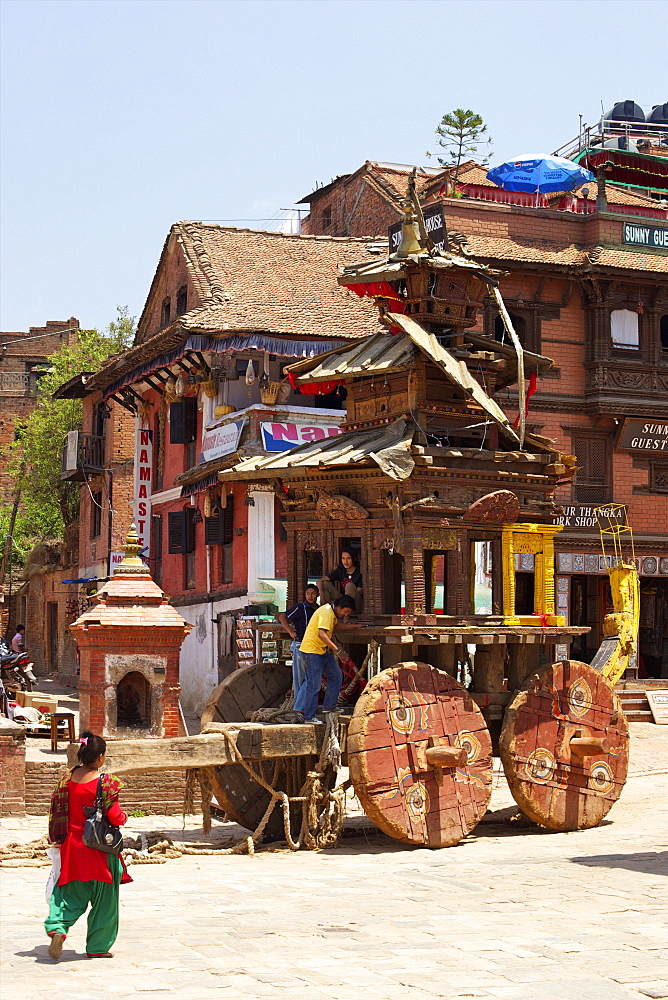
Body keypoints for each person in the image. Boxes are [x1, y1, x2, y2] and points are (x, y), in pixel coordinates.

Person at [45, 730, 131, 960]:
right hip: (100, 850)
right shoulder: (106, 782)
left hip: (73, 847)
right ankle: (98, 946)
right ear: (100, 757)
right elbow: (114, 817)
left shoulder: (66, 780)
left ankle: (58, 929)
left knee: (69, 894)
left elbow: (56, 812)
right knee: (105, 901)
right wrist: (124, 818)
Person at [294, 595, 355, 723]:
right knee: (314, 684)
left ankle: (329, 706)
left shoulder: (331, 613)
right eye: (346, 611)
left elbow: (336, 627)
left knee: (336, 675)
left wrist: (354, 627)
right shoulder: (326, 613)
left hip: (321, 651)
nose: (345, 614)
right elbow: (322, 634)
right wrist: (337, 650)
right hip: (312, 652)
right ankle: (309, 716)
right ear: (339, 607)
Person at [275, 585, 319, 698]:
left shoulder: (318, 609)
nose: (310, 596)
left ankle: (305, 703)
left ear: (317, 595)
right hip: (300, 644)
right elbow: (282, 617)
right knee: (299, 678)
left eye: (313, 593)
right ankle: (298, 705)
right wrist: (290, 632)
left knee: (311, 677)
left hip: (313, 646)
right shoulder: (300, 607)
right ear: (305, 595)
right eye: (308, 593)